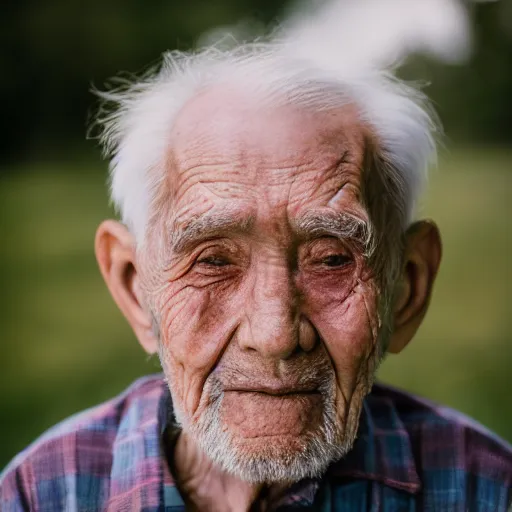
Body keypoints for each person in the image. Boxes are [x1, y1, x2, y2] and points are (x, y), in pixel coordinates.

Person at [1, 1, 511, 510]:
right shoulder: (40, 493)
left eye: (332, 259)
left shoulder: (485, 490)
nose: (274, 337)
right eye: (213, 261)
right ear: (136, 287)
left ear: (406, 288)